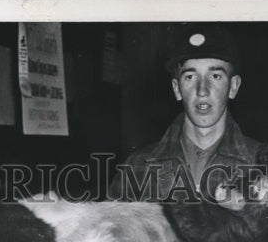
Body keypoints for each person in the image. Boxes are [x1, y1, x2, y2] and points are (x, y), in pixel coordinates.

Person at [110, 26, 259, 201]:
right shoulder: (137, 167)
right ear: (177, 89)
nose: (202, 90)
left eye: (215, 76)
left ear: (233, 87)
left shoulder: (262, 165)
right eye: (190, 77)